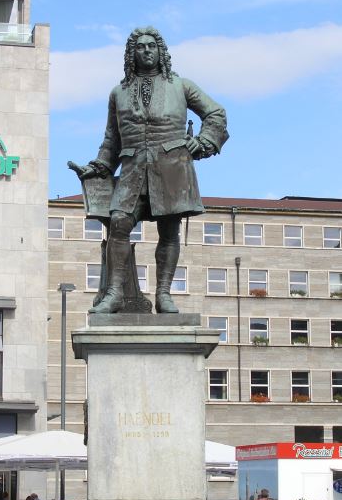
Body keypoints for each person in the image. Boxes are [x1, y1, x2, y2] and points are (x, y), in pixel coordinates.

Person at [71, 26, 228, 314]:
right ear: (132, 53)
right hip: (133, 169)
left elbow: (215, 113)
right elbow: (112, 139)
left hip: (171, 168)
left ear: (161, 52)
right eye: (140, 47)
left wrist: (204, 141)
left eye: (151, 46)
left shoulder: (181, 86)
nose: (146, 51)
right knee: (119, 223)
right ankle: (115, 293)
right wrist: (98, 167)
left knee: (169, 230)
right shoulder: (118, 93)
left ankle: (163, 294)